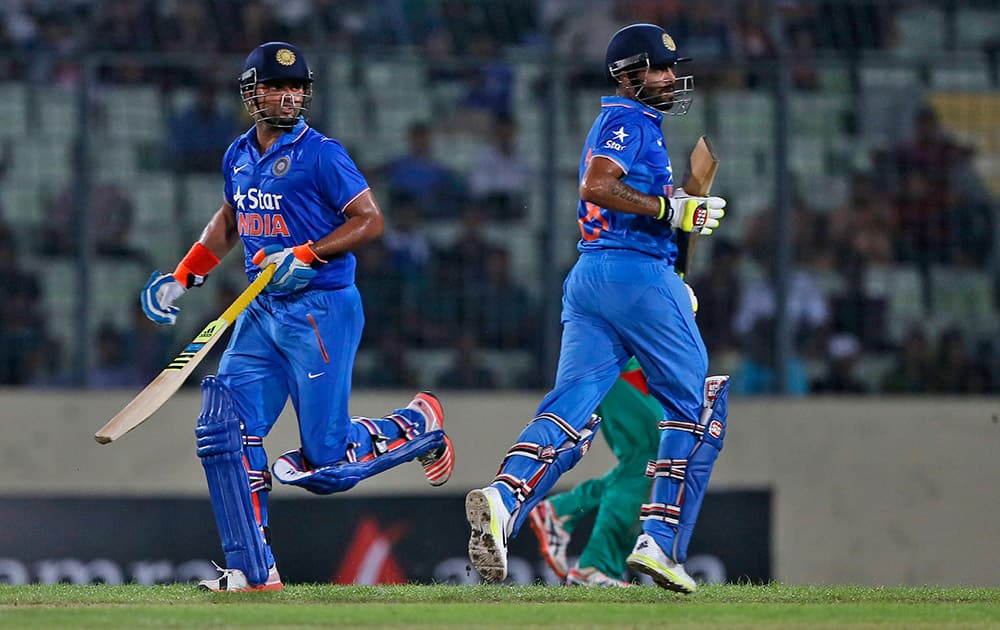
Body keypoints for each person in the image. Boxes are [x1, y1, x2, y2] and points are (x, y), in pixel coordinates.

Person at [139, 42, 455, 592]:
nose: (287, 97)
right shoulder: (237, 153)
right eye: (274, 87)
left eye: (296, 88)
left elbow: (370, 221)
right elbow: (230, 218)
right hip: (261, 310)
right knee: (225, 433)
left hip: (321, 311)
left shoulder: (323, 154)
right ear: (251, 93)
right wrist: (184, 274)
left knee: (326, 467)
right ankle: (252, 571)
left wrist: (307, 254)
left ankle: (417, 426)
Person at [464, 24, 729, 594]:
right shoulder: (629, 120)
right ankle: (658, 543)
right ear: (630, 74)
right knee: (695, 407)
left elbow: (630, 199)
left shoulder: (632, 123)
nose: (670, 77)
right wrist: (672, 212)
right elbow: (596, 185)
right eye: (659, 68)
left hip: (591, 277)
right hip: (633, 274)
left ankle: (505, 497)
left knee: (572, 408)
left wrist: (678, 216)